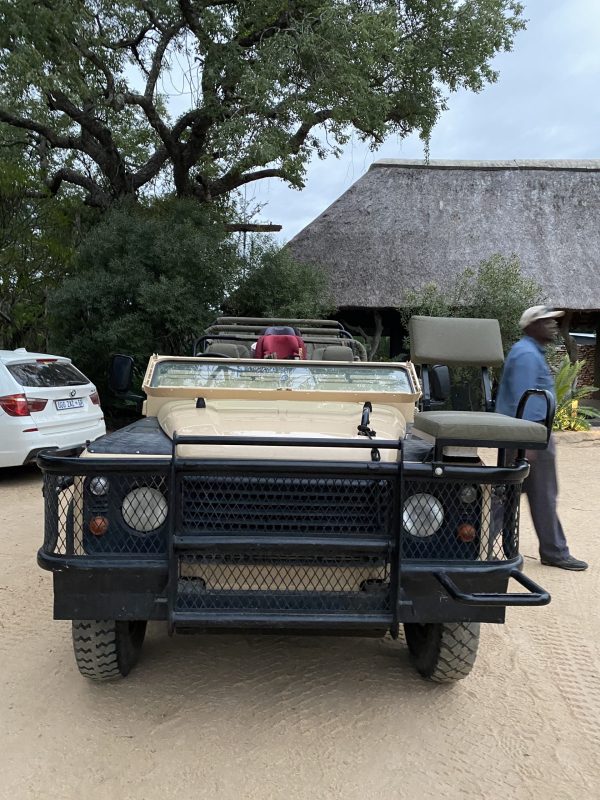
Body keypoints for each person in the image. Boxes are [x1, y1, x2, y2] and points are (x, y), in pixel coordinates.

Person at [495, 305, 588, 571]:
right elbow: (526, 399)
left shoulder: (529, 352)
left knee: (510, 495)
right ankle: (554, 551)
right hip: (531, 436)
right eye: (546, 321)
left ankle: (473, 543)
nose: (553, 325)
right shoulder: (526, 354)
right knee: (537, 494)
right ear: (531, 326)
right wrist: (528, 443)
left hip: (530, 436)